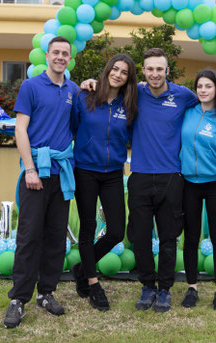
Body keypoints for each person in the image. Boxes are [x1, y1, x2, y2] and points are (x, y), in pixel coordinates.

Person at [81, 48, 216, 313]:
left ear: (167, 71)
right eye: (149, 69)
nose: (154, 74)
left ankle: (164, 289)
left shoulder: (183, 96)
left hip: (171, 178)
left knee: (168, 237)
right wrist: (89, 83)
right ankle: (147, 286)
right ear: (143, 71)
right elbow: (109, 88)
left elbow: (210, 99)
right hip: (139, 176)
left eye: (159, 69)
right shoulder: (134, 93)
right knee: (139, 237)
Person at [3, 36, 78, 329]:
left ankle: (46, 293)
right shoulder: (31, 86)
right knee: (29, 236)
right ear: (47, 55)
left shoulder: (73, 90)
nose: (60, 57)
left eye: (65, 54)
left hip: (62, 173)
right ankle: (19, 299)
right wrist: (30, 169)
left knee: (56, 236)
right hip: (36, 172)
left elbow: (74, 127)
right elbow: (20, 129)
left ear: (69, 59)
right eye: (56, 52)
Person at [70, 54, 137, 311]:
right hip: (85, 170)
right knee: (87, 229)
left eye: (124, 72)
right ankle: (93, 284)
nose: (118, 74)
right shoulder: (84, 97)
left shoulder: (128, 104)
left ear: (128, 79)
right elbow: (72, 127)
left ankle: (81, 268)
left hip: (112, 174)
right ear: (107, 70)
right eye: (115, 69)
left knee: (116, 231)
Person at [179, 68, 216, 311]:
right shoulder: (187, 112)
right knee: (190, 239)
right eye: (200, 86)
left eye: (208, 86)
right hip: (188, 185)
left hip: (215, 186)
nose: (203, 90)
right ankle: (192, 287)